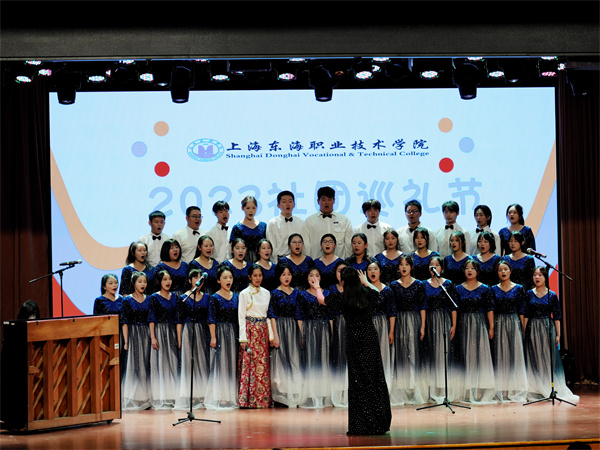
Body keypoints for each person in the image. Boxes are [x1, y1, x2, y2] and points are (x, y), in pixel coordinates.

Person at [316, 267, 392, 436]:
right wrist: (366, 282)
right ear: (358, 280)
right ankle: (379, 422)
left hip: (354, 340)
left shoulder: (342, 297)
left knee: (358, 380)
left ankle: (361, 425)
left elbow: (322, 300)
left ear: (342, 282)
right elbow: (377, 292)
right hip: (370, 338)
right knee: (374, 377)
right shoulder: (368, 294)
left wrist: (317, 287)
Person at [523, 266, 578, 404]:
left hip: (547, 327)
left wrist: (558, 334)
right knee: (534, 358)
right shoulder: (529, 294)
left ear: (545, 277)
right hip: (533, 328)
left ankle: (548, 386)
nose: (537, 277)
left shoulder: (552, 295)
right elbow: (526, 314)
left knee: (547, 358)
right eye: (535, 275)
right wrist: (524, 331)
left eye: (540, 275)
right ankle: (535, 388)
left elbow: (557, 316)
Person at [455, 259, 496, 404]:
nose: (469, 270)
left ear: (477, 271)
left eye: (472, 268)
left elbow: (489, 308)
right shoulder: (458, 288)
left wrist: (491, 327)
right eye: (467, 268)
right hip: (464, 323)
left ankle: (479, 387)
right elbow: (455, 310)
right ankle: (467, 387)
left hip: (479, 324)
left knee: (479, 355)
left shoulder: (484, 288)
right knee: (466, 354)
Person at [388, 255, 427, 405]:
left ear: (411, 267)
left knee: (414, 353)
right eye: (401, 264)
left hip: (414, 320)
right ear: (398, 267)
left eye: (406, 264)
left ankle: (414, 389)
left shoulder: (419, 284)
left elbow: (422, 306)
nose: (404, 267)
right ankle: (402, 390)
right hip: (399, 321)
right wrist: (392, 329)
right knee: (401, 354)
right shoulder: (394, 285)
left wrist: (423, 326)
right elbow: (392, 308)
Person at [422, 256, 460, 404]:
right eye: (431, 265)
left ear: (442, 268)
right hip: (430, 320)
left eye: (437, 265)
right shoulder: (424, 284)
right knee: (431, 353)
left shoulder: (448, 284)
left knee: (443, 353)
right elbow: (423, 306)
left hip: (444, 319)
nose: (434, 267)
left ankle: (444, 390)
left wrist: (454, 325)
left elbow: (453, 306)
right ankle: (432, 390)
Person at [490, 260, 528, 403]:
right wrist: (492, 327)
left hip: (514, 322)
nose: (503, 272)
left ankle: (515, 389)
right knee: (501, 355)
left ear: (510, 271)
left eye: (505, 269)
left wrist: (523, 328)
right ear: (497, 273)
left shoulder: (518, 288)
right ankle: (502, 389)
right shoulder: (493, 289)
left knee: (515, 355)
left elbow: (522, 310)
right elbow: (491, 310)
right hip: (499, 322)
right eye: (500, 270)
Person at [268, 263, 305, 407]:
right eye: (283, 274)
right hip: (280, 328)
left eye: (289, 274)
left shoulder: (297, 293)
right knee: (280, 361)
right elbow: (272, 315)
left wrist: (301, 334)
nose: (286, 277)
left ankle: (295, 394)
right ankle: (281, 396)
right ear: (279, 276)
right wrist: (275, 336)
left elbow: (299, 315)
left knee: (294, 360)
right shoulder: (275, 293)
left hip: (293, 329)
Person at [238, 264, 274, 408]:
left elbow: (267, 315)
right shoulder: (244, 293)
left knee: (262, 366)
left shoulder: (266, 293)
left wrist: (271, 335)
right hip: (250, 331)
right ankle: (249, 400)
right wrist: (243, 338)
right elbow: (241, 317)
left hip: (263, 332)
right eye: (255, 276)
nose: (258, 278)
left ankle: (262, 400)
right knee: (250, 364)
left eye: (260, 275)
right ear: (249, 277)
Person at [205, 264, 240, 410]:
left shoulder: (237, 296)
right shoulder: (214, 298)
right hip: (220, 332)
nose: (228, 280)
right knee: (222, 364)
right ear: (218, 280)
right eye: (225, 277)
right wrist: (213, 337)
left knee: (233, 363)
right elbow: (211, 319)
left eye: (230, 277)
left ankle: (232, 395)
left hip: (234, 332)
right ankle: (222, 396)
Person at [175, 268, 211, 410]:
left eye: (200, 278)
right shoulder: (183, 298)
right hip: (188, 331)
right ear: (190, 280)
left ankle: (202, 394)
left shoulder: (207, 297)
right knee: (189, 363)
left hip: (202, 331)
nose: (198, 281)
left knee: (202, 362)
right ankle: (190, 395)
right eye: (195, 278)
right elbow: (179, 320)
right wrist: (179, 339)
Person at [297, 267, 332, 408]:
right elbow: (300, 316)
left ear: (321, 278)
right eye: (311, 275)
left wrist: (331, 333)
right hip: (309, 329)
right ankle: (311, 394)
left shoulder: (327, 293)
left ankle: (323, 393)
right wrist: (301, 334)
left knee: (323, 360)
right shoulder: (302, 295)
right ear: (307, 278)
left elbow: (330, 315)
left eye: (317, 275)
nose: (314, 278)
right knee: (311, 360)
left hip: (324, 329)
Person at [148, 270, 180, 409]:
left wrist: (178, 337)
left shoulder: (175, 297)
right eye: (165, 279)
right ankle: (161, 396)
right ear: (159, 282)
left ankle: (173, 396)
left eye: (169, 279)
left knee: (173, 363)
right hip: (160, 331)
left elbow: (178, 318)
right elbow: (151, 318)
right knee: (161, 364)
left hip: (172, 331)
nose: (168, 282)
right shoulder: (154, 298)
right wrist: (153, 337)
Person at [121, 271, 152, 410]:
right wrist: (126, 341)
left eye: (144, 281)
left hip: (146, 333)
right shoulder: (127, 300)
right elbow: (125, 322)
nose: (142, 284)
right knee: (135, 365)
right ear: (134, 283)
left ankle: (146, 396)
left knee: (146, 365)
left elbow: (151, 319)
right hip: (134, 334)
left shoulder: (149, 299)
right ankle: (135, 398)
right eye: (140, 282)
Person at [365, 259, 395, 391]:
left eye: (375, 269)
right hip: (367, 324)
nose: (372, 272)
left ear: (380, 272)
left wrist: (391, 331)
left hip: (382, 325)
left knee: (382, 355)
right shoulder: (364, 290)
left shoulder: (387, 291)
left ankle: (382, 387)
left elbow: (392, 312)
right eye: (369, 269)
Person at [302, 186, 353, 259]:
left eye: (329, 199)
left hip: (339, 263)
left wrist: (347, 262)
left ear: (334, 201)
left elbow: (348, 244)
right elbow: (306, 246)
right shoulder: (309, 221)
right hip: (316, 263)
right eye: (323, 199)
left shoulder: (344, 220)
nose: (326, 202)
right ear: (318, 201)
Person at [326, 259, 350, 407]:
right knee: (337, 356)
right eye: (339, 271)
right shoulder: (331, 289)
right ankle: (338, 393)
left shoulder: (353, 289)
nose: (342, 274)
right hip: (336, 324)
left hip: (350, 324)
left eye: (345, 271)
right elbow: (329, 311)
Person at [266, 190, 306, 262]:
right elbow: (271, 246)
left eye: (290, 201)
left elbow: (304, 244)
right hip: (280, 260)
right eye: (284, 202)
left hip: (298, 260)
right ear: (278, 205)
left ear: (294, 204)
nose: (287, 204)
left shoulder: (300, 222)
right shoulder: (272, 223)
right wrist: (275, 264)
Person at [230, 196, 267, 263]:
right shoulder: (237, 227)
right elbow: (232, 249)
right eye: (248, 208)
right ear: (242, 208)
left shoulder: (263, 226)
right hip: (242, 263)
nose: (251, 211)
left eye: (253, 208)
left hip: (261, 262)